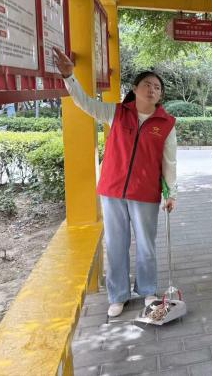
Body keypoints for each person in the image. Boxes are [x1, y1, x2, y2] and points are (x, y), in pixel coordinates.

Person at [52, 47, 177, 318]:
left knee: (146, 245)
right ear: (135, 88)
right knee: (116, 244)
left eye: (157, 87)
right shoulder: (116, 112)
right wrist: (69, 77)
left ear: (161, 95)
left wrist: (171, 193)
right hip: (112, 190)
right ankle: (118, 295)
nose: (152, 90)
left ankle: (147, 290)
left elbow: (169, 162)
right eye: (147, 85)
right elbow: (85, 103)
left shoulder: (166, 123)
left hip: (145, 193)